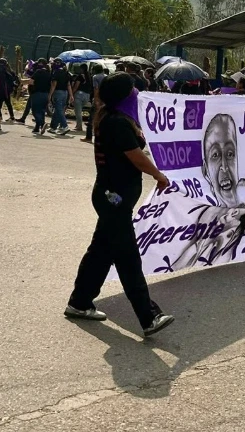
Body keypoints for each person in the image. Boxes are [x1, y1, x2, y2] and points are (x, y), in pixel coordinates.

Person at [65, 72, 175, 337]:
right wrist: (158, 175)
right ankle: (149, 316)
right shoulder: (117, 123)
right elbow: (136, 157)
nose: (136, 95)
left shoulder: (112, 118)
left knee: (101, 252)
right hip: (112, 199)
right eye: (133, 91)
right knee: (127, 257)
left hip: (111, 197)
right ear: (125, 97)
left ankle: (79, 302)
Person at [82, 64, 107, 143]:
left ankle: (88, 137)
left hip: (98, 99)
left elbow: (96, 89)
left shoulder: (95, 77)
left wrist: (96, 100)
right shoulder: (106, 76)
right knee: (103, 119)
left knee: (92, 119)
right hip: (106, 99)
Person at [49, 58, 74, 134]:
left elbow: (54, 85)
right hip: (65, 93)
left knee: (59, 110)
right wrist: (71, 95)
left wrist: (50, 95)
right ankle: (53, 127)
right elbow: (69, 85)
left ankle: (65, 126)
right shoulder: (66, 72)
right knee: (57, 110)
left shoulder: (56, 72)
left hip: (58, 93)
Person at [29, 59, 52, 135]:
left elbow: (31, 82)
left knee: (35, 111)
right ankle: (37, 128)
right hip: (46, 94)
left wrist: (31, 90)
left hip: (37, 93)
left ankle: (42, 123)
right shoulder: (49, 74)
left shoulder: (38, 72)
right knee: (42, 111)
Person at [72, 64, 93, 133]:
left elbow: (76, 86)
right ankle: (78, 125)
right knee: (79, 110)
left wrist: (72, 93)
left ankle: (79, 126)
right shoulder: (90, 76)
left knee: (78, 111)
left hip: (79, 94)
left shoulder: (80, 76)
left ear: (81, 69)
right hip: (87, 95)